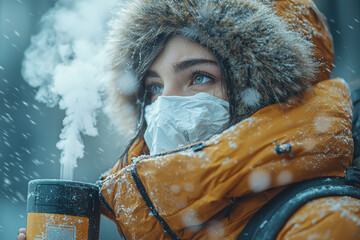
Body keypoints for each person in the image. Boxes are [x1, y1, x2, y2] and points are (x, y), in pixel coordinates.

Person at [18, 0, 360, 239]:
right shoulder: (172, 224)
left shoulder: (324, 225)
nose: (164, 105)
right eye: (153, 88)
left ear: (266, 97)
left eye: (199, 77)